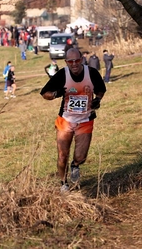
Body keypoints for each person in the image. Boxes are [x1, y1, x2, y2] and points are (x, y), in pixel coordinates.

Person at [40, 48, 106, 192]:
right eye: (70, 61)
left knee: (81, 156)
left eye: (77, 60)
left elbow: (101, 89)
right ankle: (63, 183)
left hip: (85, 119)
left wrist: (98, 99)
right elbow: (45, 93)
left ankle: (75, 165)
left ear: (82, 59)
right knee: (62, 155)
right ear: (66, 62)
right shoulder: (62, 74)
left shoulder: (92, 73)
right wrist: (56, 93)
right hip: (65, 120)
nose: (74, 64)